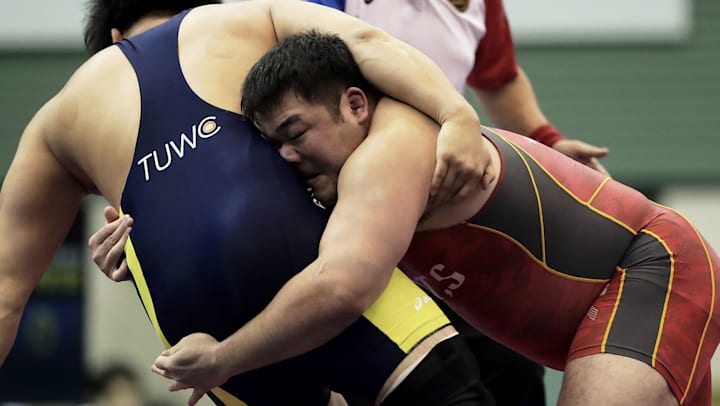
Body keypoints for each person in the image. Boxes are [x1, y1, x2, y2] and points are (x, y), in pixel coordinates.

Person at [141, 32, 720, 405]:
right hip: (596, 316)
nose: (287, 157)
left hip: (653, 268)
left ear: (355, 104)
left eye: (296, 133)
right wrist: (140, 245)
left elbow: (340, 289)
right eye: (275, 146)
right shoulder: (339, 182)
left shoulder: (389, 148)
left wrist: (223, 360)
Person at [0, 1, 501, 405]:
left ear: (111, 40)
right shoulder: (243, 16)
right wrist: (456, 115)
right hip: (300, 259)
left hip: (189, 315)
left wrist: (152, 245)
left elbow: (6, 296)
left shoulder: (53, 120)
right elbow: (369, 43)